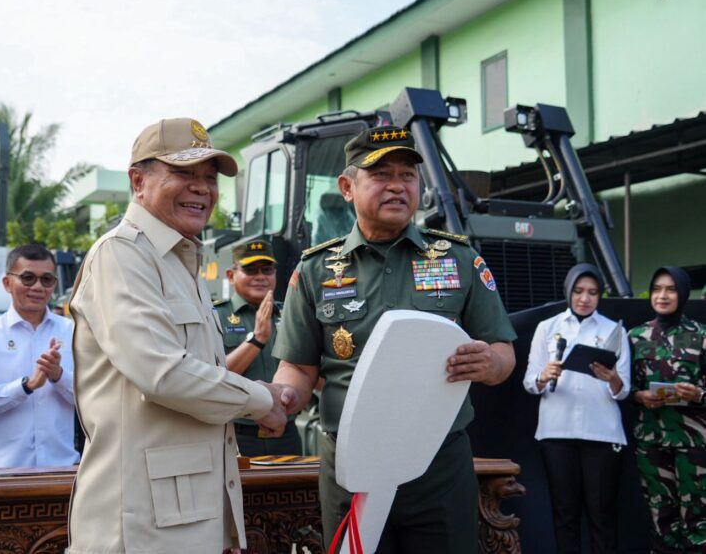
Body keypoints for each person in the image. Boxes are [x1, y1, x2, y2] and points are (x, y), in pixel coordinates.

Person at [271, 125, 517, 553]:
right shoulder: (313, 271)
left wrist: (491, 364)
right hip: (351, 464)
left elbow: (503, 351)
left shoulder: (459, 259)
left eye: (407, 175)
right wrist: (282, 397)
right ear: (348, 187)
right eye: (381, 176)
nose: (397, 186)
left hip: (438, 463)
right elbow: (298, 367)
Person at [67, 118, 286, 554]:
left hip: (183, 515)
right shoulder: (122, 254)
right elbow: (162, 373)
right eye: (184, 173)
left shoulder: (178, 260)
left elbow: (200, 374)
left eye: (209, 178)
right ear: (138, 181)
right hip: (140, 524)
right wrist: (262, 400)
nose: (202, 188)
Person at [523, 263, 630, 554]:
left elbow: (624, 391)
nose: (585, 298)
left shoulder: (613, 330)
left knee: (602, 515)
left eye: (593, 292)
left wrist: (613, 378)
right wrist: (544, 376)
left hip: (602, 434)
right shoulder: (548, 327)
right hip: (557, 431)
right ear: (569, 291)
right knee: (564, 514)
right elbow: (529, 382)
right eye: (579, 291)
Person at [0, 244, 79, 470]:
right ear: (7, 283)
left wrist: (58, 376)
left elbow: (91, 400)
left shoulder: (72, 332)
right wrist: (26, 386)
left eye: (46, 280)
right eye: (28, 278)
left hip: (60, 468)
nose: (37, 287)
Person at [629, 266, 706, 553]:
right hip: (651, 441)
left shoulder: (701, 335)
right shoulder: (636, 336)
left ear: (683, 294)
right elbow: (625, 389)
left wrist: (698, 394)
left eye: (671, 289)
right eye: (657, 288)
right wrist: (640, 396)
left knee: (697, 519)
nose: (662, 295)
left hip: (693, 443)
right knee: (660, 517)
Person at [215, 239, 302, 457]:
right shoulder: (216, 315)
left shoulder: (290, 313)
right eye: (250, 270)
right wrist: (257, 339)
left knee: (293, 490)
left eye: (267, 269)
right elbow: (213, 375)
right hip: (236, 431)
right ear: (231, 275)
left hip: (286, 431)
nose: (260, 276)